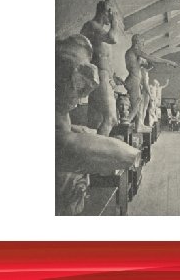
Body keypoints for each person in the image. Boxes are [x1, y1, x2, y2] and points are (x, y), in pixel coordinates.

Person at [56, 35, 140, 215]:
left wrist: (87, 133)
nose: (83, 90)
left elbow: (66, 130)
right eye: (75, 76)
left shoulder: (61, 112)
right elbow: (65, 144)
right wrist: (133, 154)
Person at [123, 35, 177, 132]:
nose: (143, 45)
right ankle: (127, 121)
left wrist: (147, 63)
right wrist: (167, 61)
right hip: (133, 80)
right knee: (137, 103)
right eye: (141, 43)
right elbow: (152, 58)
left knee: (138, 104)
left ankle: (139, 125)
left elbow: (148, 66)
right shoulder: (134, 51)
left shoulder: (134, 55)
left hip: (134, 80)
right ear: (136, 43)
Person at [80, 1, 119, 136]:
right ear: (106, 11)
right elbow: (113, 38)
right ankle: (100, 151)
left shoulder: (99, 30)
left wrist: (112, 79)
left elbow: (107, 60)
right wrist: (115, 22)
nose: (113, 16)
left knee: (97, 120)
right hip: (98, 74)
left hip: (104, 76)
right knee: (111, 118)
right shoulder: (91, 26)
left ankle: (93, 151)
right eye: (112, 13)